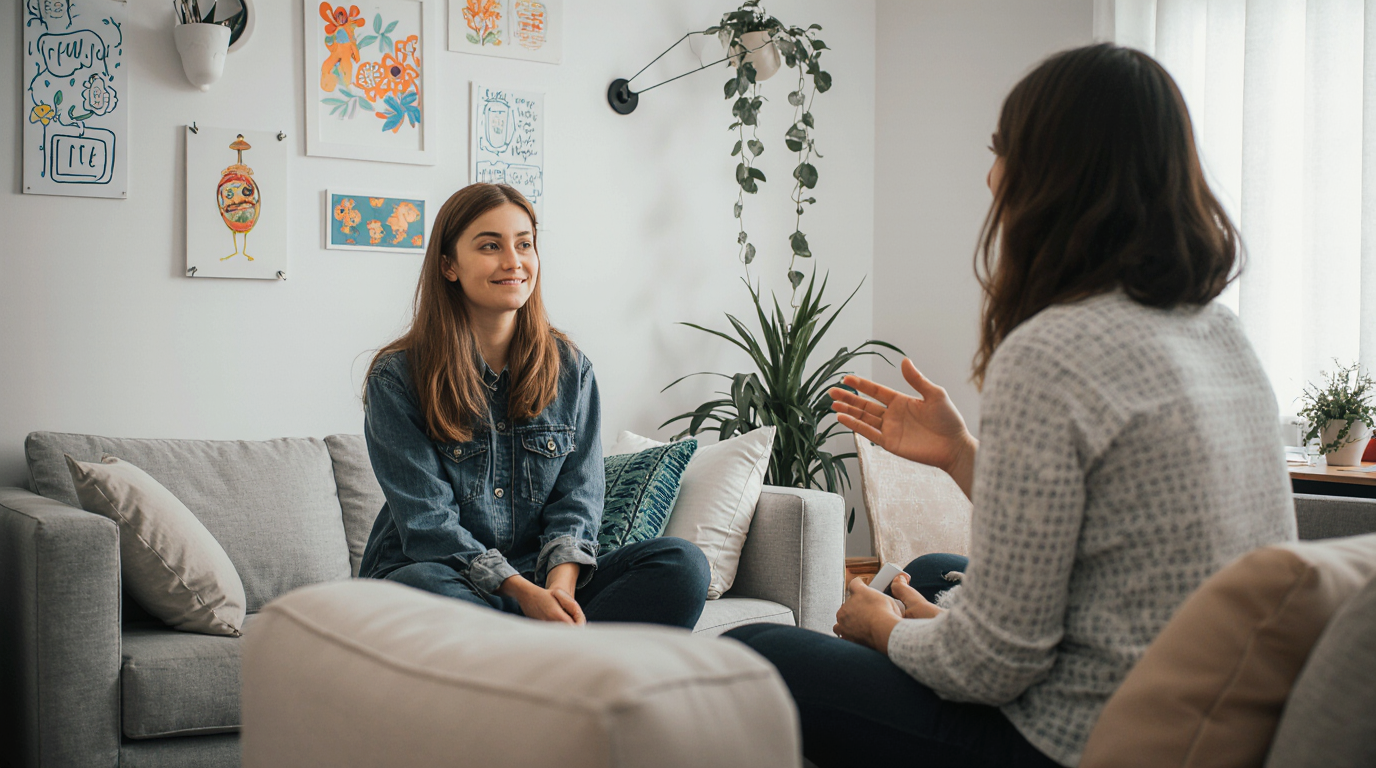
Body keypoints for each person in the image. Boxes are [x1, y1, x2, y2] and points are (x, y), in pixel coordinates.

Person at [724, 44, 1296, 767]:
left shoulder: (1054, 350)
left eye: (1003, 151)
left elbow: (992, 669)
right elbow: (1106, 544)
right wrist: (961, 456)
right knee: (932, 571)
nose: (991, 176)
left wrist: (885, 628)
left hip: (1079, 742)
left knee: (752, 650)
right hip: (1213, 726)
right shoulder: (1221, 335)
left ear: (1054, 173)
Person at [358, 183, 709, 629]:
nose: (513, 261)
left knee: (682, 564)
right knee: (422, 585)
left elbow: (578, 502)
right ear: (449, 265)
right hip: (442, 576)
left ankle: (530, 650)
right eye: (490, 246)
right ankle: (550, 654)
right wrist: (522, 596)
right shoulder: (397, 378)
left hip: (538, 581)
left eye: (524, 244)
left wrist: (559, 594)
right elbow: (429, 526)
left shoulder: (570, 370)